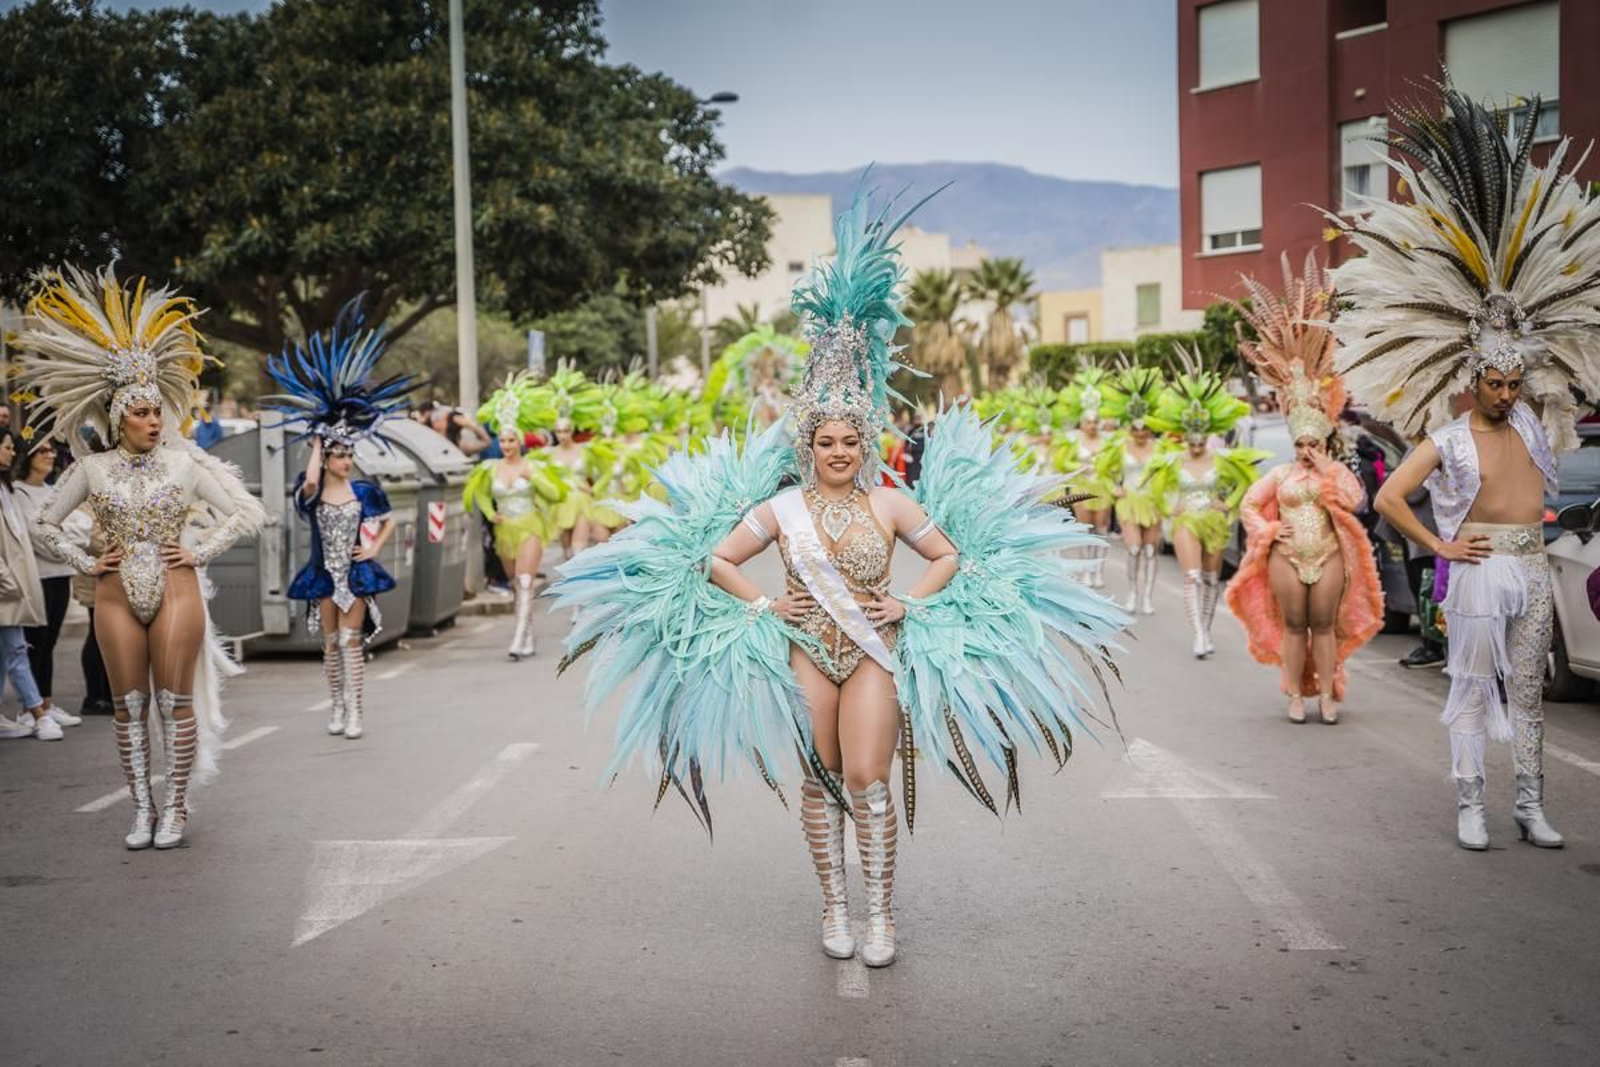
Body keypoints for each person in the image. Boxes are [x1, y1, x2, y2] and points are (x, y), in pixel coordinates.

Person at [549, 190, 1128, 969]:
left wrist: (908, 600)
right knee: (820, 780)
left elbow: (949, 555)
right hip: (804, 651)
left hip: (874, 650)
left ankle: (881, 913)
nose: (839, 449)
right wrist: (762, 601)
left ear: (866, 440)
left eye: (851, 438)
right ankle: (833, 903)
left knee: (867, 775)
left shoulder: (891, 502)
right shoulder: (780, 507)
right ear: (808, 444)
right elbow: (716, 558)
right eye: (826, 439)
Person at [1327, 87, 1600, 850]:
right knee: (1474, 689)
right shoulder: (1445, 438)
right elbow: (1387, 495)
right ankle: (1473, 802)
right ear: (1470, 376)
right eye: (1495, 382)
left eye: (1516, 382)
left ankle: (1531, 804)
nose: (1507, 393)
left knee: (1531, 694)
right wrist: (1443, 547)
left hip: (1533, 567)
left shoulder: (1538, 424)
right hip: (1478, 568)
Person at [20, 265, 265, 849]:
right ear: (117, 417)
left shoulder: (185, 465)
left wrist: (198, 549)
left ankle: (176, 809)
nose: (155, 421)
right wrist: (83, 560)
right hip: (113, 592)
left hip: (175, 586)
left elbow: (245, 511)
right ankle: (141, 811)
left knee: (170, 701)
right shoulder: (91, 469)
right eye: (142, 412)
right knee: (128, 706)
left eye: (159, 410)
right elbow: (43, 521)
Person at [1226, 253, 1383, 724]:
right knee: (1295, 625)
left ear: (1325, 438)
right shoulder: (1280, 477)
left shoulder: (1333, 471)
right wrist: (1271, 531)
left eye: (1312, 441)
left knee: (1324, 624)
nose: (1304, 448)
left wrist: (1328, 466)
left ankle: (1330, 694)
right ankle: (1295, 693)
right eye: (1300, 441)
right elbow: (1248, 506)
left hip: (1330, 553)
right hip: (1287, 553)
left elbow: (1356, 501)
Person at [264, 301, 412, 740]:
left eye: (349, 455)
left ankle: (356, 713)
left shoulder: (365, 491)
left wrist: (375, 547)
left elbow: (389, 520)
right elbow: (309, 486)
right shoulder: (311, 488)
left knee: (351, 643)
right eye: (340, 455)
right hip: (323, 576)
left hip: (357, 573)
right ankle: (337, 705)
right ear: (327, 457)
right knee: (329, 645)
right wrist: (315, 443)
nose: (347, 462)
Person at [1143, 351, 1263, 658]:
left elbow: (1246, 481)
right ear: (1184, 435)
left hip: (1215, 521)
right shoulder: (1171, 460)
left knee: (1211, 580)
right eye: (1191, 440)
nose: (1196, 446)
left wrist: (1229, 503)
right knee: (1192, 576)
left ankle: (1206, 631)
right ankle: (1197, 634)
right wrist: (1170, 509)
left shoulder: (1222, 459)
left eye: (1200, 440)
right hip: (1186, 523)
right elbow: (1154, 486)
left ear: (1207, 434)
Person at [466, 374, 569, 659]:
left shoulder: (532, 466)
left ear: (520, 442)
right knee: (515, 585)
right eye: (503, 440)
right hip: (506, 531)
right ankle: (528, 632)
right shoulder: (490, 468)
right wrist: (491, 513)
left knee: (525, 582)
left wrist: (533, 478)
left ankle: (518, 639)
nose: (507, 445)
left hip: (530, 526)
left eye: (511, 440)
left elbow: (556, 494)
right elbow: (481, 495)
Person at [11, 438, 82, 729]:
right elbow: (37, 538)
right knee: (35, 643)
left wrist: (59, 533)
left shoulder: (55, 492)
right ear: (27, 456)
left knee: (50, 641)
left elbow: (82, 530)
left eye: (52, 450)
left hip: (61, 575)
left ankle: (47, 703)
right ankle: (32, 707)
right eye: (42, 450)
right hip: (37, 576)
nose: (49, 455)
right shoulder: (19, 493)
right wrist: (62, 536)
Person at [1096, 364, 1168, 614]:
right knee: (1135, 548)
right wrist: (1112, 487)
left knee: (1150, 551)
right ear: (1130, 427)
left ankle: (1147, 597)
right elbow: (1102, 468)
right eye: (1135, 428)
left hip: (1152, 504)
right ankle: (1132, 593)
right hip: (1128, 502)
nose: (1140, 433)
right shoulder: (1120, 446)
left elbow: (1170, 476)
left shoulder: (1161, 449)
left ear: (1150, 428)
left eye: (1144, 428)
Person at [0, 429, 56, 740]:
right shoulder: (13, 491)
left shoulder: (5, 489)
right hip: (7, 586)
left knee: (8, 651)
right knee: (18, 649)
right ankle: (38, 711)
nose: (11, 453)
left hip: (14, 585)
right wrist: (8, 583)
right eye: (6, 447)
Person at [1059, 367, 1113, 588]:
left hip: (1101, 488)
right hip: (1082, 488)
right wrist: (1081, 465)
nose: (1091, 425)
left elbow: (1113, 463)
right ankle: (1086, 570)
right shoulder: (1074, 440)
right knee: (1084, 529)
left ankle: (1098, 569)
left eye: (1095, 421)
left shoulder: (1108, 441)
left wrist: (1102, 464)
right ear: (1082, 423)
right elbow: (1063, 462)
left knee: (1101, 529)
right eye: (1088, 421)